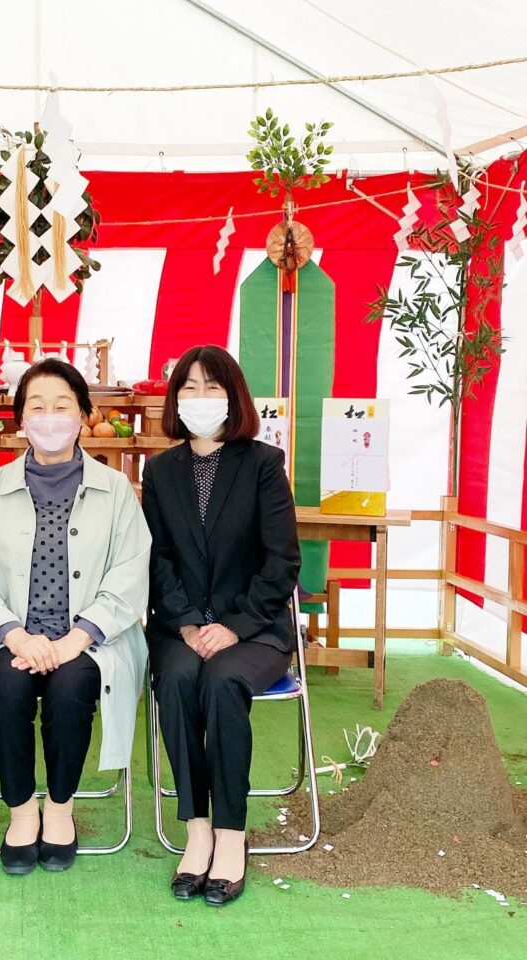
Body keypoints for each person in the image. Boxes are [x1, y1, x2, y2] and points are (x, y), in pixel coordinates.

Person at [0, 359, 150, 875]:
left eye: (63, 405)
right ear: (19, 421)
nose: (50, 416)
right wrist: (15, 636)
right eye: (36, 406)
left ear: (86, 414)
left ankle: (60, 808)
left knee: (70, 688)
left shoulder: (118, 491)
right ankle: (21, 811)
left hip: (91, 640)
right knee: (6, 686)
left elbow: (130, 575)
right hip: (7, 638)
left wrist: (75, 639)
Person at [142, 345, 301, 906]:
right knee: (181, 679)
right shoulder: (160, 470)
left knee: (221, 681)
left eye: (213, 387)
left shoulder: (262, 464)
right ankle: (197, 832)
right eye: (188, 387)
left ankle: (231, 836)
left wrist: (232, 626)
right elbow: (155, 558)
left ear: (233, 397)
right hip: (180, 629)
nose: (200, 398)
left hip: (253, 630)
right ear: (174, 399)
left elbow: (282, 561)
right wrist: (187, 623)